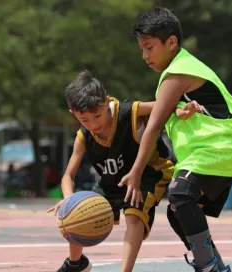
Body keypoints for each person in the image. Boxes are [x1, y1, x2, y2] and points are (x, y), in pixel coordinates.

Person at [119, 7, 232, 272]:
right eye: (141, 49)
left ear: (171, 43)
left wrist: (135, 173)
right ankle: (216, 268)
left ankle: (208, 267)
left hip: (221, 147)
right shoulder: (180, 70)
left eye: (149, 47)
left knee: (180, 194)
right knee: (177, 212)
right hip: (218, 149)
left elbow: (154, 126)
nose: (145, 55)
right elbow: (178, 112)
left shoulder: (178, 72)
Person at [47, 70, 199, 272]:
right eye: (84, 120)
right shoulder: (83, 137)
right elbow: (68, 175)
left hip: (149, 172)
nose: (94, 124)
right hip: (113, 182)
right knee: (77, 213)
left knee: (133, 215)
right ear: (73, 114)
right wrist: (69, 200)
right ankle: (76, 263)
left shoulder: (129, 112)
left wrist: (180, 111)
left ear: (107, 101)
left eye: (97, 116)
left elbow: (163, 105)